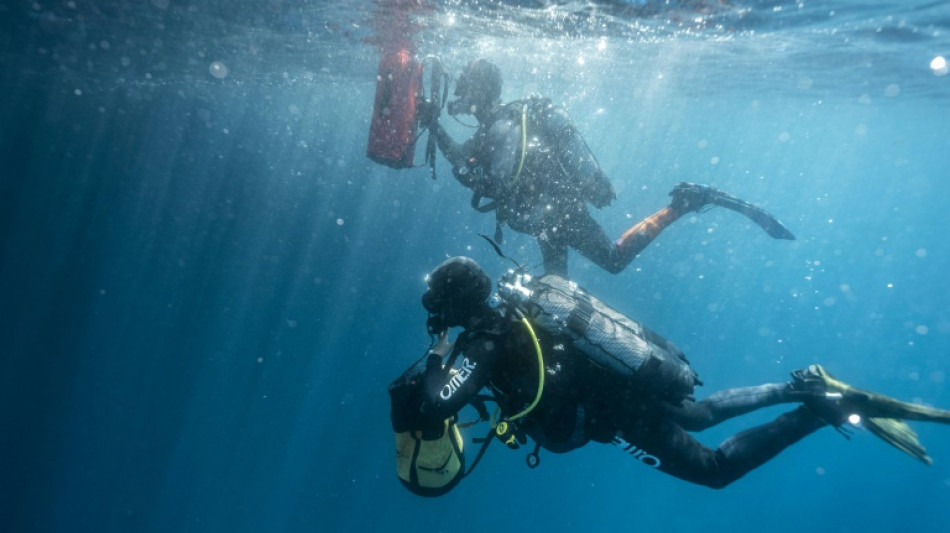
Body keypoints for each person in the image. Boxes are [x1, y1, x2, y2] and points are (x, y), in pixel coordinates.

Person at [389, 256, 950, 495]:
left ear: (454, 304)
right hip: (625, 385)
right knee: (702, 414)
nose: (432, 314)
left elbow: (439, 404)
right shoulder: (513, 311)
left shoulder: (484, 341)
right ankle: (799, 385)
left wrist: (438, 357)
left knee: (712, 470)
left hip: (616, 411)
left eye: (435, 304)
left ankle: (817, 409)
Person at [417, 59, 793, 277]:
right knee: (555, 287)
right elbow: (466, 156)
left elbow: (498, 184)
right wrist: (434, 126)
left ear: (480, 92)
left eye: (465, 88)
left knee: (612, 261)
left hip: (558, 214)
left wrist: (469, 176)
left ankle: (685, 203)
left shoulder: (502, 125)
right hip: (546, 216)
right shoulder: (496, 124)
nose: (460, 97)